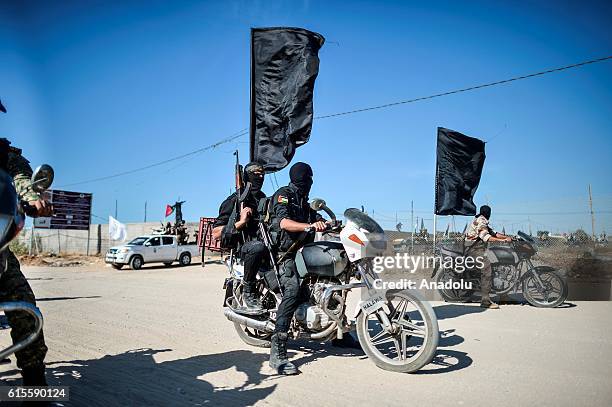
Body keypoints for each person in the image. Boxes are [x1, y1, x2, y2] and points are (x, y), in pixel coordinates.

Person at [0, 137, 52, 386]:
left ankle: (35, 386)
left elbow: (20, 176)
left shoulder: (3, 152)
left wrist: (31, 197)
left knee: (24, 308)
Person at [267, 162, 327, 375]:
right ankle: (278, 349)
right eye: (306, 178)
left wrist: (326, 222)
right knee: (292, 290)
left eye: (310, 178)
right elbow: (283, 223)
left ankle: (338, 332)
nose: (309, 182)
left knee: (332, 280)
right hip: (284, 253)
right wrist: (309, 226)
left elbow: (316, 219)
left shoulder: (304, 201)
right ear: (298, 178)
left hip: (304, 252)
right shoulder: (284, 194)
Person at [212, 162, 267, 312]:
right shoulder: (234, 200)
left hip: (264, 245)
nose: (260, 177)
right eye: (256, 174)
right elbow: (216, 233)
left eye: (262, 174)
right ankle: (248, 290)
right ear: (247, 176)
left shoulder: (263, 199)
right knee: (256, 247)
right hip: (243, 249)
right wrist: (241, 222)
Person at [465, 205, 512, 309]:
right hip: (473, 250)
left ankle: (503, 295)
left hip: (479, 249)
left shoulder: (483, 221)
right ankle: (485, 301)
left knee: (496, 264)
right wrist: (503, 241)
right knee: (487, 269)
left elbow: (494, 233)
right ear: (488, 213)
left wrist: (508, 237)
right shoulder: (481, 221)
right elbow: (486, 237)